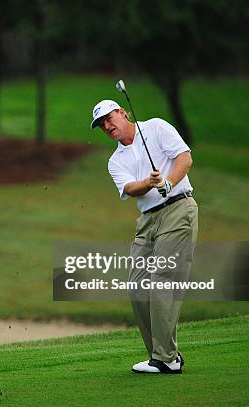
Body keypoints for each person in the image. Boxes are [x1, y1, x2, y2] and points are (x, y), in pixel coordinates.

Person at [90, 99, 198, 374]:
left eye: (109, 118)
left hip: (178, 208)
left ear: (123, 112)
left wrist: (169, 182)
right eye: (102, 124)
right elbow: (130, 188)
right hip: (148, 220)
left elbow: (185, 158)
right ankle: (165, 355)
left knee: (161, 279)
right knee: (137, 286)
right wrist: (149, 183)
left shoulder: (156, 127)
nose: (107, 125)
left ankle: (164, 359)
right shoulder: (115, 161)